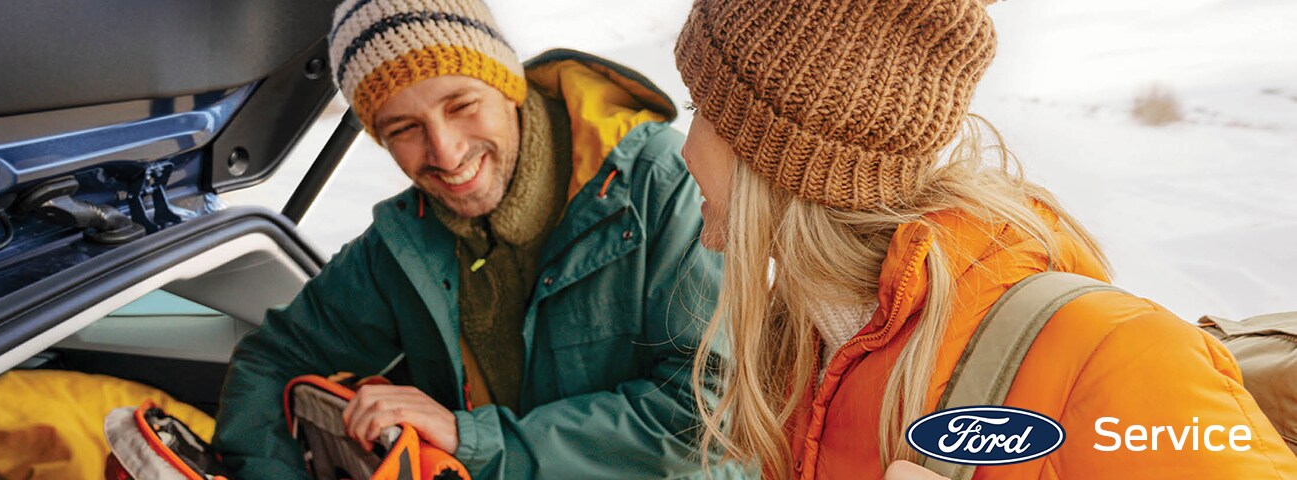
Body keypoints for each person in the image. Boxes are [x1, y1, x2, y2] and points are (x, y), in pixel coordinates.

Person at [672, 0, 1297, 478]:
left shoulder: (1113, 354)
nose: (683, 151)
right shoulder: (809, 350)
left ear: (782, 154)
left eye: (700, 108)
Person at [215, 0, 738, 478]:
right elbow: (272, 361)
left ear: (508, 84)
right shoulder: (403, 241)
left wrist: (471, 439)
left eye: (461, 105)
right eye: (404, 129)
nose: (445, 152)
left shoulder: (660, 184)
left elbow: (717, 412)